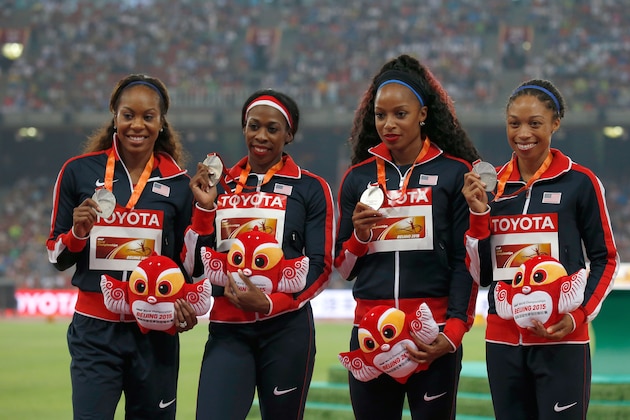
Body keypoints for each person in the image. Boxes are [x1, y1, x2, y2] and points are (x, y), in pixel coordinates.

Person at [334, 53, 481, 419]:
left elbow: (466, 262)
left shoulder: (453, 173)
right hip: (370, 333)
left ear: (423, 114)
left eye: (400, 114)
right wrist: (359, 237)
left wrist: (453, 333)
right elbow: (343, 267)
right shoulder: (357, 177)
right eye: (381, 115)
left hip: (431, 333)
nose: (388, 124)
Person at [462, 79, 619, 419]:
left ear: (555, 124)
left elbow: (606, 259)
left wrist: (578, 315)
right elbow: (482, 275)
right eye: (514, 123)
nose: (523, 133)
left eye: (535, 123)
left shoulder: (580, 182)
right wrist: (477, 214)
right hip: (503, 342)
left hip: (562, 336)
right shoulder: (491, 188)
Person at [46, 74, 199, 419]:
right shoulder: (78, 172)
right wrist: (79, 232)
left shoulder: (179, 184)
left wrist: (185, 300)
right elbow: (56, 255)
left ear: (161, 123)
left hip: (155, 330)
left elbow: (188, 266)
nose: (137, 125)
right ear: (114, 115)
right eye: (128, 115)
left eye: (148, 117)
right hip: (95, 331)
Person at [187, 88, 335, 419]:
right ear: (243, 127)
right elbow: (194, 266)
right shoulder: (217, 185)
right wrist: (202, 208)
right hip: (228, 329)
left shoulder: (310, 188)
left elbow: (322, 267)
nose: (261, 136)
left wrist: (269, 304)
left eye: (272, 128)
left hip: (286, 331)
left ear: (289, 133)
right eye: (254, 126)